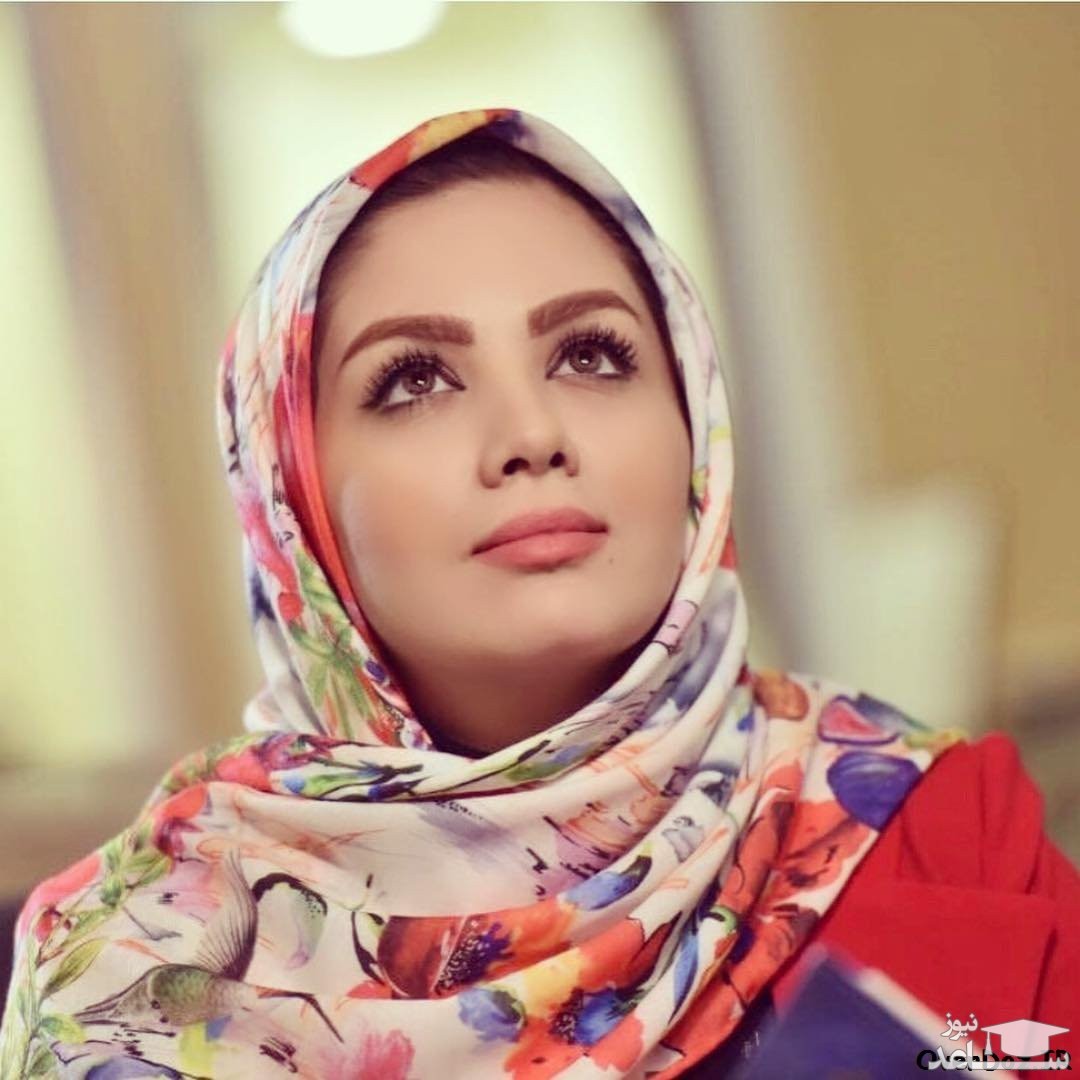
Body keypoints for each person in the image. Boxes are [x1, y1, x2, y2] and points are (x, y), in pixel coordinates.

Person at [1, 107, 1075, 1078]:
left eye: (592, 356)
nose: (531, 434)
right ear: (293, 504)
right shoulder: (136, 966)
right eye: (414, 379)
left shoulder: (938, 835)